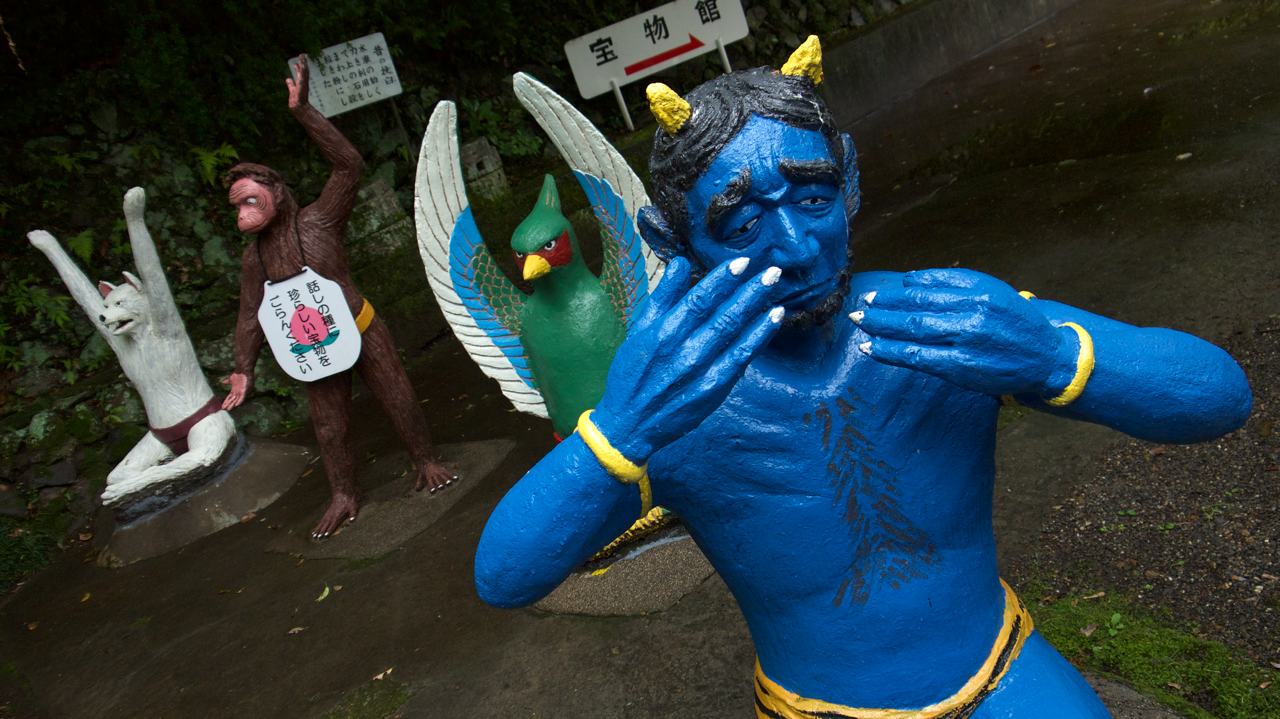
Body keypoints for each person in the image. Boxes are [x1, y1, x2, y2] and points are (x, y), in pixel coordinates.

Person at [474, 38, 1252, 716]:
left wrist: (1057, 357)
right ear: (674, 243)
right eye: (742, 225)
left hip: (1001, 670)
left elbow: (1216, 395)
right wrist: (619, 431)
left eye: (812, 199)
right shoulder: (684, 402)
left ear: (848, 183)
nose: (798, 248)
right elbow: (504, 574)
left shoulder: (943, 322)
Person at [222, 57, 453, 538]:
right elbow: (250, 313)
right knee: (328, 427)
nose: (243, 213)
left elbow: (348, 164)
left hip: (361, 327)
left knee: (397, 396)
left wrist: (304, 112)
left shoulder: (318, 221)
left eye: (249, 200)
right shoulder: (254, 260)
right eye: (236, 206)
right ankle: (344, 494)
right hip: (314, 349)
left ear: (277, 193)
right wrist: (243, 368)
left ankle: (427, 461)